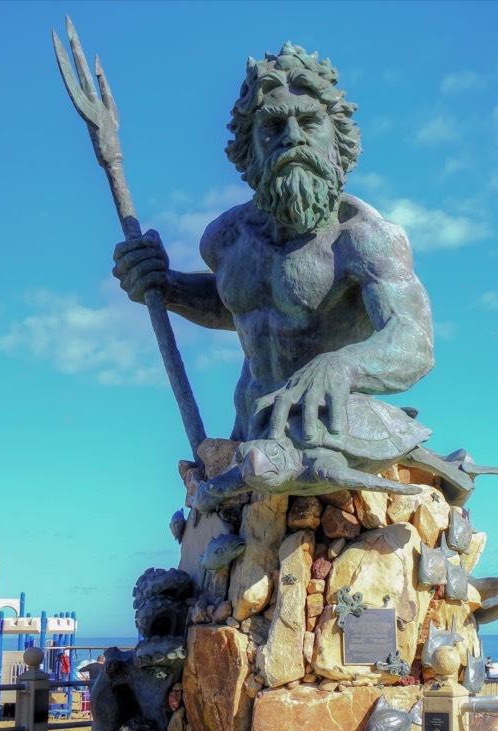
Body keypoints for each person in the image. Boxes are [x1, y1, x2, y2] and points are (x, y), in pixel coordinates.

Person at [112, 44, 435, 488]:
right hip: (252, 434)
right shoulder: (226, 239)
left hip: (330, 434)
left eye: (308, 122)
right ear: (249, 149)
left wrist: (343, 365)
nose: (292, 137)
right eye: (273, 126)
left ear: (337, 140)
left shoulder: (363, 238)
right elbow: (239, 304)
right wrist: (165, 286)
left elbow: (414, 341)